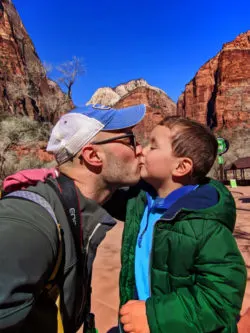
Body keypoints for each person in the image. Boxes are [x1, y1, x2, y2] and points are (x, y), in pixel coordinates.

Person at [0, 104, 146, 333]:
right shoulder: (28, 222)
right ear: (93, 155)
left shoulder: (79, 206)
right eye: (130, 140)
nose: (140, 150)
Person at [117, 116, 247, 333]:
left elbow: (222, 297)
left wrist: (154, 316)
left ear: (181, 166)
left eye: (153, 146)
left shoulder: (205, 223)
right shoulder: (141, 201)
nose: (140, 150)